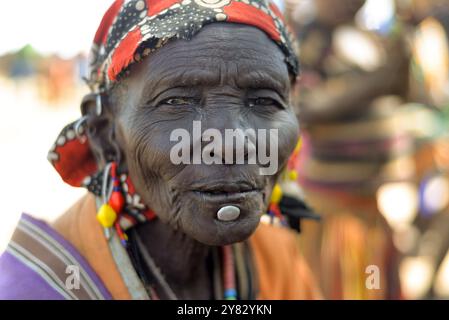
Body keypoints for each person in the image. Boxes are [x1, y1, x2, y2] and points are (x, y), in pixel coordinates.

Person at [0, 0, 321, 300]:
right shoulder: (38, 287)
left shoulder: (278, 261)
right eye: (177, 102)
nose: (230, 144)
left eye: (264, 101)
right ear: (105, 133)